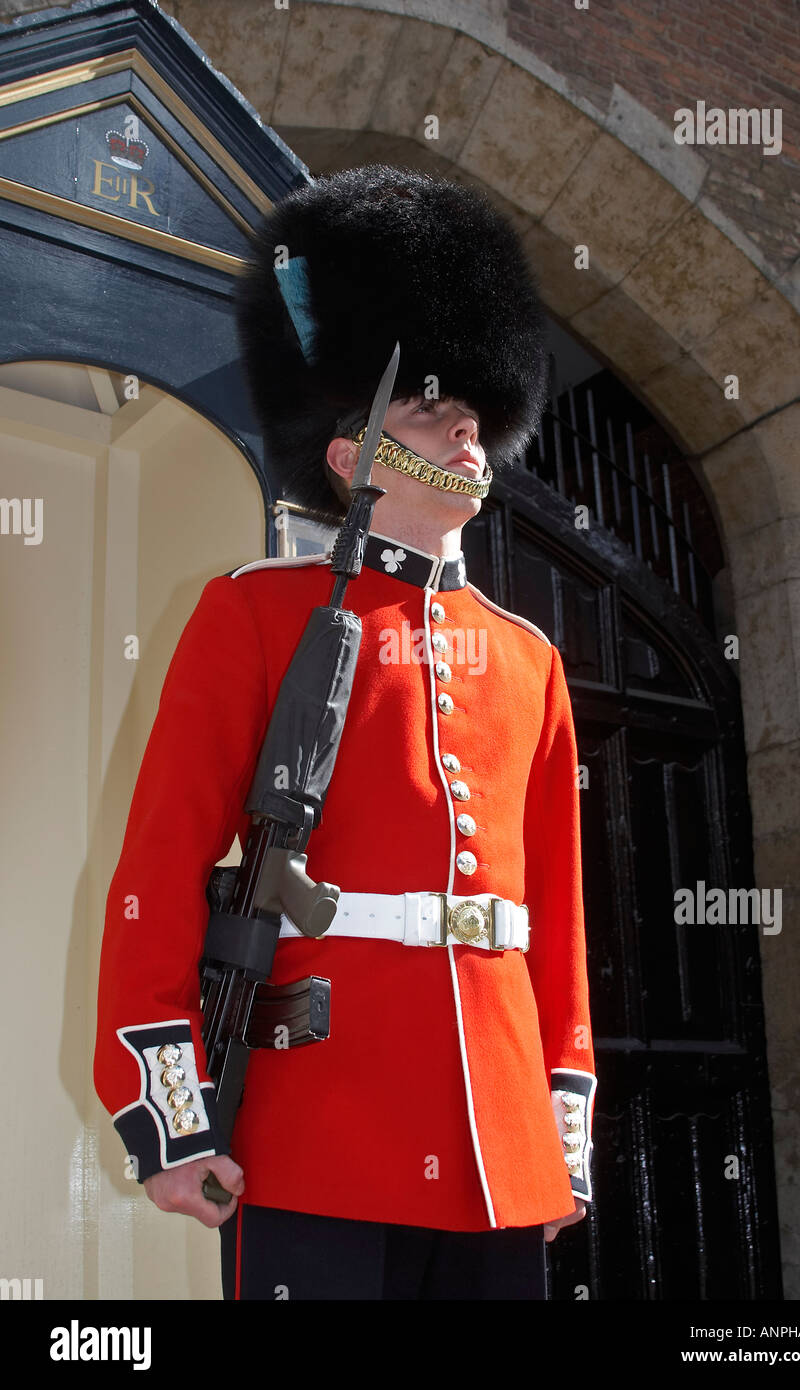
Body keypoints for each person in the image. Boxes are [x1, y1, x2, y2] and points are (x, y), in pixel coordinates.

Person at [94, 165, 597, 1300]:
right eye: (430, 410)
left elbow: (553, 923)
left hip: (498, 1144)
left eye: (475, 413)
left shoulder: (529, 659)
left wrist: (557, 1129)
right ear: (351, 453)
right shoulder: (257, 612)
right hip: (317, 1126)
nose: (465, 429)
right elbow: (160, 865)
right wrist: (168, 1119)